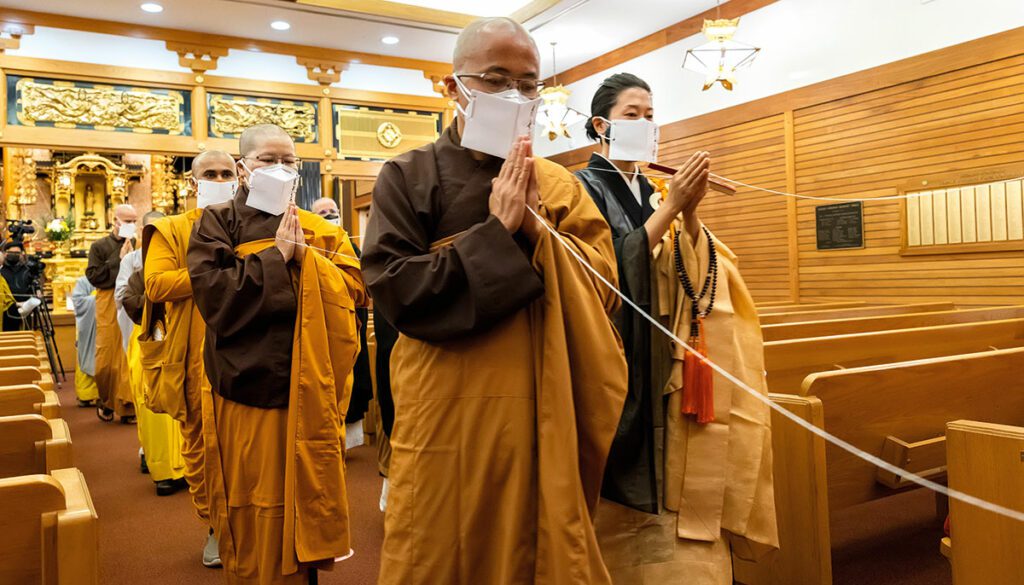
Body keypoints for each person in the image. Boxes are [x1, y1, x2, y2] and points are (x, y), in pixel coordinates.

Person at [361, 17, 628, 585]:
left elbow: (605, 287)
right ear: (453, 87)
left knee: (542, 547)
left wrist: (537, 235)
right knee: (440, 551)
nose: (516, 96)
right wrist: (498, 232)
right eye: (495, 78)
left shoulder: (559, 184)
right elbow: (397, 292)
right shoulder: (406, 176)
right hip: (449, 414)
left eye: (529, 84)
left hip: (545, 403)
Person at [577, 73, 778, 584]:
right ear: (601, 126)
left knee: (678, 477)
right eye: (631, 115)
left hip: (669, 350)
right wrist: (671, 209)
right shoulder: (579, 188)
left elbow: (698, 265)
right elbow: (597, 271)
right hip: (617, 352)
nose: (646, 124)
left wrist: (687, 216)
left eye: (650, 115)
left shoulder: (651, 187)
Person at [187, 125, 366, 584]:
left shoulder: (320, 228)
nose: (281, 169)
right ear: (245, 168)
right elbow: (212, 296)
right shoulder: (217, 221)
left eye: (290, 160)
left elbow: (357, 290)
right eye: (268, 159)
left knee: (306, 496)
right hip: (244, 383)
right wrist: (277, 257)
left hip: (309, 383)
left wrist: (310, 261)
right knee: (255, 500)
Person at [144, 149, 238, 567]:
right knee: (203, 445)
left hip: (248, 346)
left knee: (249, 445)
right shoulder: (171, 229)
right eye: (210, 173)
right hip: (196, 354)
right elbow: (157, 285)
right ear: (193, 183)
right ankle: (215, 525)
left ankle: (255, 523)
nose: (219, 179)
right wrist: (215, 275)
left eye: (226, 173)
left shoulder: (250, 220)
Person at [116, 210, 188, 497]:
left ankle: (183, 465)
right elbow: (128, 299)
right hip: (148, 341)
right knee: (152, 404)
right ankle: (161, 469)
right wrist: (158, 294)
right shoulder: (135, 270)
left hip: (179, 340)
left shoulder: (181, 263)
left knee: (181, 402)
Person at [86, 203, 138, 423]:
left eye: (134, 221)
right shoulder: (99, 246)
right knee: (106, 356)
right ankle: (105, 400)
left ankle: (128, 407)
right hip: (107, 298)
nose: (130, 225)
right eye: (127, 221)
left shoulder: (137, 243)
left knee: (129, 353)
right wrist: (120, 258)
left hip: (129, 297)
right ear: (114, 220)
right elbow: (94, 276)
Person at [70, 276, 101, 406]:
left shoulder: (114, 278)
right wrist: (99, 297)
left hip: (107, 322)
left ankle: (103, 394)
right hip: (87, 327)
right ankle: (85, 396)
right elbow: (78, 301)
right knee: (85, 355)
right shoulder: (83, 281)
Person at [1, 241, 33, 332]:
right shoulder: (1, 272)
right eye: (11, 253)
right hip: (7, 312)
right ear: (5, 253)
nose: (14, 255)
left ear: (22, 254)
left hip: (26, 311)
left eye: (17, 253)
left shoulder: (27, 271)